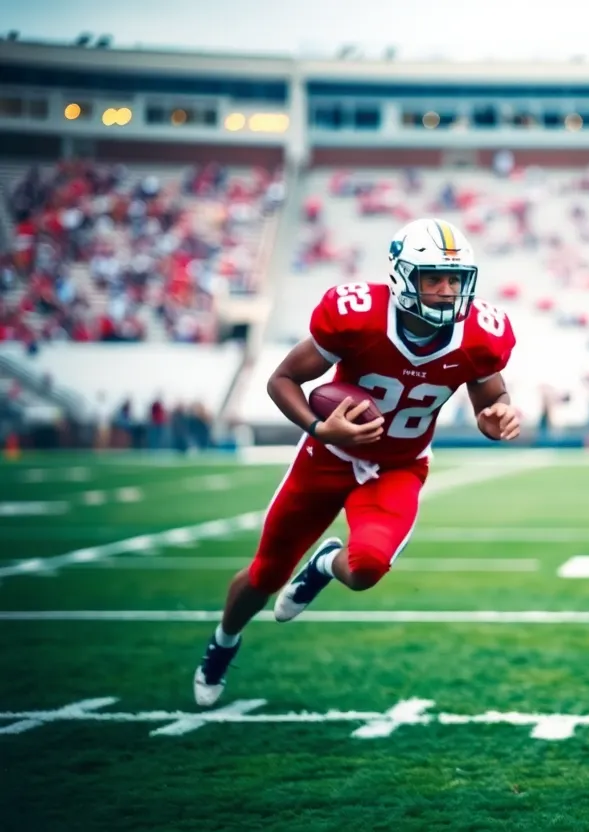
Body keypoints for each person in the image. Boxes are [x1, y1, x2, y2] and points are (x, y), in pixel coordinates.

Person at [193, 219, 521, 707]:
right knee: (265, 575)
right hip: (327, 456)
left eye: (455, 279)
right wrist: (320, 428)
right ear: (402, 276)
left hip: (399, 465)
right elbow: (282, 380)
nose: (447, 290)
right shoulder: (357, 315)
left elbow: (491, 398)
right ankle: (223, 643)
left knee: (366, 569)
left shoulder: (480, 335)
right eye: (433, 278)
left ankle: (324, 564)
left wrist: (498, 414)